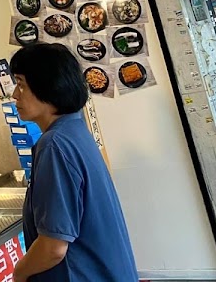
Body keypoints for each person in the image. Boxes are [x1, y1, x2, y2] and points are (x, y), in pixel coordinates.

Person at [11, 44, 137, 282]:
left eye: (21, 84)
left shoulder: (54, 145)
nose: (15, 94)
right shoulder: (73, 128)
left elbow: (53, 247)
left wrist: (19, 272)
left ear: (48, 86)